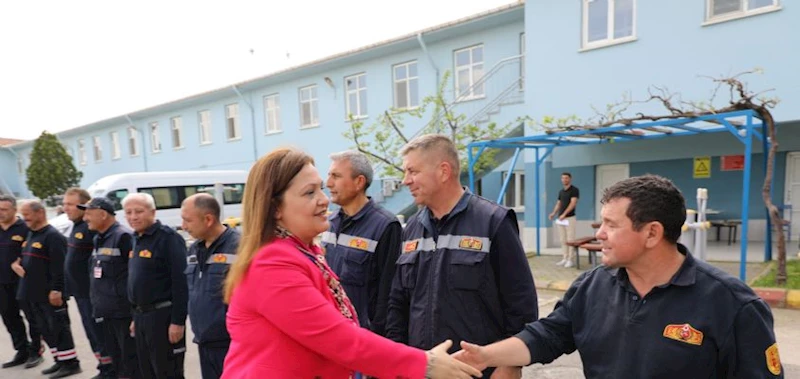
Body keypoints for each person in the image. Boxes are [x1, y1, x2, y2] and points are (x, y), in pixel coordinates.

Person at [454, 174, 785, 378]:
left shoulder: (733, 305)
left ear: (652, 233)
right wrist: (488, 355)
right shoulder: (591, 286)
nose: (600, 234)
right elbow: (547, 336)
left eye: (611, 225)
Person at [221, 147, 481, 379]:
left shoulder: (302, 252)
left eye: (321, 188)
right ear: (275, 208)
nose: (324, 199)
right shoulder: (272, 265)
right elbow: (339, 339)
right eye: (310, 193)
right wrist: (424, 364)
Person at [385, 134, 539, 379]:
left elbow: (521, 304)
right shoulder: (412, 229)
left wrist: (511, 364)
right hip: (424, 369)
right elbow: (398, 303)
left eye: (413, 171)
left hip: (478, 372)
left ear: (443, 171)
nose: (406, 181)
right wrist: (399, 362)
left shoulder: (493, 222)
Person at [322, 150, 402, 336]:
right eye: (329, 176)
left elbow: (389, 294)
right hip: (333, 331)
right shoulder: (329, 223)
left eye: (336, 176)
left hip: (364, 338)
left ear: (359, 182)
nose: (329, 183)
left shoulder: (385, 226)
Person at [15, 200, 82, 378]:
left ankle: (71, 363)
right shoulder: (31, 234)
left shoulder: (52, 236)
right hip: (33, 293)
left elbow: (60, 267)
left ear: (40, 213)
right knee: (47, 330)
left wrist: (57, 290)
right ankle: (59, 360)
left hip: (50, 294)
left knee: (59, 329)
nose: (24, 218)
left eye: (27, 214)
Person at [125, 193, 188, 379]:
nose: (133, 217)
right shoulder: (135, 238)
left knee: (167, 371)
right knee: (147, 370)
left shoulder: (168, 238)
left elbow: (180, 282)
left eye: (138, 211)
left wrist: (177, 321)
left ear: (153, 212)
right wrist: (135, 316)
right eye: (128, 212)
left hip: (162, 317)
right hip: (141, 316)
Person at [181, 193, 240, 379]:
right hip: (204, 344)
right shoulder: (194, 250)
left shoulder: (239, 247)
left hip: (231, 346)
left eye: (188, 220)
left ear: (208, 219)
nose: (183, 226)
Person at [82, 197, 138, 379]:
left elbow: (135, 277)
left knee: (130, 363)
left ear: (103, 214)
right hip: (106, 312)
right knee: (117, 362)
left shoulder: (123, 237)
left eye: (89, 214)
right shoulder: (99, 238)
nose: (85, 218)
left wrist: (135, 314)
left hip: (122, 313)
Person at [63, 188, 114, 378]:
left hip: (92, 294)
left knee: (100, 334)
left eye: (70, 204)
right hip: (81, 293)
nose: (65, 208)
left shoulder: (89, 229)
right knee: (92, 335)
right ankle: (103, 367)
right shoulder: (76, 226)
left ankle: (110, 370)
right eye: (64, 203)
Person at [0, 195, 41, 369]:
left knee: (33, 317)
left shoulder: (24, 228)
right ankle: (21, 350)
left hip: (22, 282)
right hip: (2, 283)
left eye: (4, 209)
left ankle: (36, 350)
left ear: (14, 210)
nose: (0, 213)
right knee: (10, 318)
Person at [549, 172, 579, 268]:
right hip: (560, 219)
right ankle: (564, 258)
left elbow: (573, 203)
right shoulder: (561, 192)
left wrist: (564, 214)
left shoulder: (574, 190)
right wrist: (553, 213)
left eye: (566, 178)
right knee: (563, 239)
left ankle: (570, 259)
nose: (564, 180)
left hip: (569, 218)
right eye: (563, 178)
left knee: (570, 239)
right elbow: (559, 203)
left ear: (570, 179)